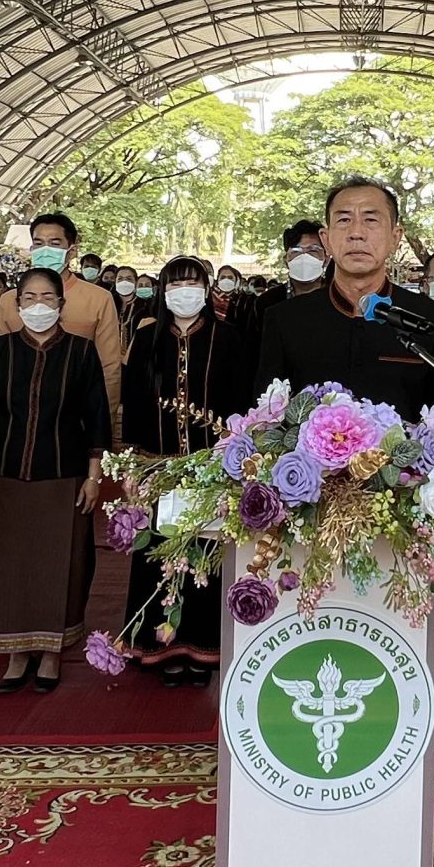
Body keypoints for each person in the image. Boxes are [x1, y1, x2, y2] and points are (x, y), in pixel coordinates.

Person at [119, 255, 255, 685]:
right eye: (175, 283)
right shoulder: (146, 340)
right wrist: (133, 466)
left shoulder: (229, 339)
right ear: (163, 290)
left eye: (192, 282)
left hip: (213, 468)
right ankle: (160, 649)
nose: (184, 291)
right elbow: (134, 402)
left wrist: (236, 461)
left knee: (205, 558)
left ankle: (204, 650)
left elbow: (242, 403)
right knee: (158, 555)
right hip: (158, 467)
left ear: (207, 287)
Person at [0, 268, 110, 693]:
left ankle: (51, 652)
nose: (38, 306)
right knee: (9, 564)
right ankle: (16, 653)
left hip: (64, 473)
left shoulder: (81, 353)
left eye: (47, 298)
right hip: (6, 474)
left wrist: (93, 478)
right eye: (29, 298)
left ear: (61, 305)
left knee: (62, 563)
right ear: (16, 305)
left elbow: (98, 420)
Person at [254, 176, 434, 416]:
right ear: (326, 240)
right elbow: (265, 421)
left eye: (371, 220)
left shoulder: (431, 321)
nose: (356, 233)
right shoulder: (285, 320)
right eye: (344, 220)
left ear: (395, 237)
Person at [0, 212, 128, 434]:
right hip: (17, 417)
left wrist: (104, 428)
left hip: (76, 418)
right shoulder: (10, 300)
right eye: (38, 243)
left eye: (54, 243)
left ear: (71, 250)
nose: (45, 249)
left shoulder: (98, 298)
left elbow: (109, 367)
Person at [258, 220, 328, 314]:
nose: (304, 257)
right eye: (296, 252)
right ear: (286, 261)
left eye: (313, 251)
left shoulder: (341, 299)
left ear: (326, 259)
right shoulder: (266, 302)